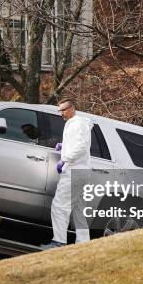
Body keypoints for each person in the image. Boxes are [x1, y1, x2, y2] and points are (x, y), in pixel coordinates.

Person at [41, 99, 93, 249]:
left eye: (63, 110)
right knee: (77, 208)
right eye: (60, 110)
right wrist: (64, 146)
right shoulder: (76, 124)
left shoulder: (77, 123)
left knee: (59, 205)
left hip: (74, 170)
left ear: (72, 108)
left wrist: (64, 159)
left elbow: (82, 146)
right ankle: (84, 244)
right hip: (80, 170)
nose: (61, 113)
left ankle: (58, 241)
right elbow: (78, 143)